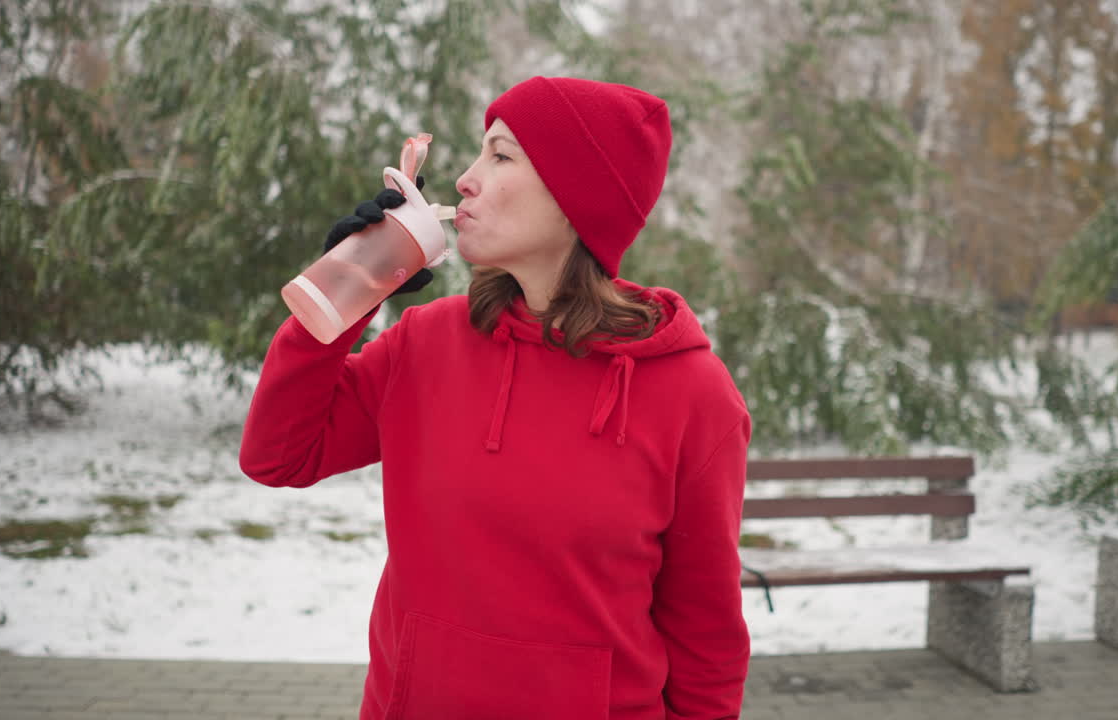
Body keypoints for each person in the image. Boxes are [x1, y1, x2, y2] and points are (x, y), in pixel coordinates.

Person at [240, 76, 751, 720]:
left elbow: (705, 634)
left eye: (501, 155)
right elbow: (279, 456)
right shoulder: (424, 344)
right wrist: (344, 292)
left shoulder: (691, 395)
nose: (464, 179)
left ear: (575, 197)